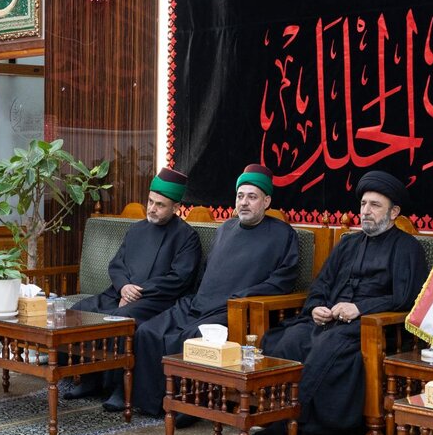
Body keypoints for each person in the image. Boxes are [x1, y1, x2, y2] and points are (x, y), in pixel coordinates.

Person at [252, 171, 426, 435]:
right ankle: (274, 417)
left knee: (326, 348)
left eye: (375, 205)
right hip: (328, 322)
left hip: (368, 329)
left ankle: (296, 428)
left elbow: (405, 298)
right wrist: (317, 307)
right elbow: (322, 284)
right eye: (363, 204)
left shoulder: (407, 247)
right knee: (287, 340)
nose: (366, 211)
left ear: (394, 212)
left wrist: (359, 309)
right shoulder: (348, 243)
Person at [110, 164, 299, 418]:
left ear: (266, 201)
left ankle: (185, 407)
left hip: (232, 308)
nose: (244, 202)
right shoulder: (226, 229)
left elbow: (283, 280)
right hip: (199, 302)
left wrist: (244, 296)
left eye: (252, 197)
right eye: (240, 196)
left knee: (189, 336)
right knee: (148, 331)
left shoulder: (283, 234)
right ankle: (148, 402)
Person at [63, 168, 202, 400]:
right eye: (150, 201)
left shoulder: (187, 237)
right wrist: (123, 287)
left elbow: (179, 278)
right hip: (120, 291)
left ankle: (121, 387)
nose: (152, 208)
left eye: (160, 204)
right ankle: (89, 378)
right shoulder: (136, 229)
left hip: (157, 300)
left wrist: (138, 291)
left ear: (176, 208)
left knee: (120, 319)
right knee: (81, 310)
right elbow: (116, 264)